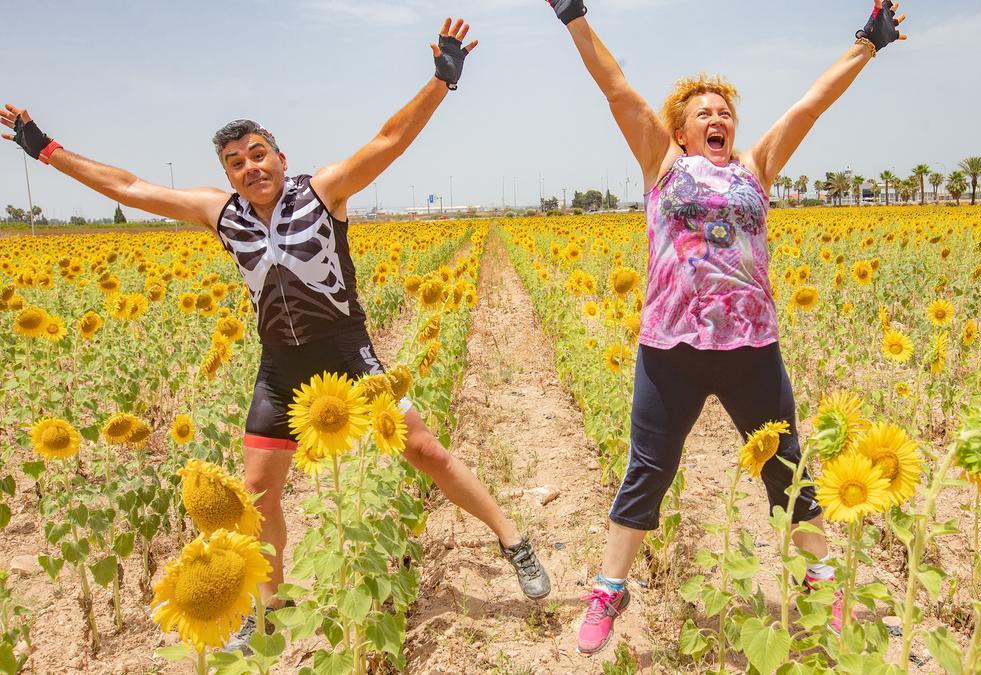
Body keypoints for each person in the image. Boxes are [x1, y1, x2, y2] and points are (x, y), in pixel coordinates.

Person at [2, 17, 550, 653]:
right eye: (235, 162)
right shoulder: (218, 212)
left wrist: (440, 80)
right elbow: (128, 186)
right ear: (228, 175)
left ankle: (513, 539)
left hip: (348, 353)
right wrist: (46, 150)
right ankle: (266, 609)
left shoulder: (322, 193)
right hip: (280, 366)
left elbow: (388, 141)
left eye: (257, 154)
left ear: (280, 158)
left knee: (425, 452)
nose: (248, 167)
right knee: (258, 494)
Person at [546, 0, 907, 654]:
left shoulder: (754, 168)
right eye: (702, 112)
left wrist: (867, 44)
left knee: (789, 472)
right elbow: (616, 89)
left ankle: (823, 591)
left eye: (724, 111)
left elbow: (808, 107)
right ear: (680, 131)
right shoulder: (663, 165)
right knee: (647, 472)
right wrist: (573, 15)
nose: (717, 117)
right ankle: (608, 587)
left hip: (750, 351)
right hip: (670, 351)